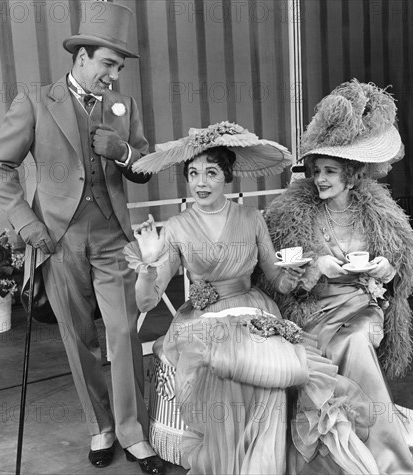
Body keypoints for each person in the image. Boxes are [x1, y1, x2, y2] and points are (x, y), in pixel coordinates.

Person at [260, 79, 413, 473]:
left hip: (361, 305)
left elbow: (404, 262)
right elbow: (269, 275)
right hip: (312, 309)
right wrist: (314, 269)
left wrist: (388, 268)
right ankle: (342, 444)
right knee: (328, 349)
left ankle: (380, 446)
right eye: (316, 171)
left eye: (330, 171)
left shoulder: (378, 211)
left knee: (354, 340)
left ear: (351, 175)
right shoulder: (291, 213)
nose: (320, 180)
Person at [127, 122, 384, 474]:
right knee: (226, 368)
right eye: (193, 173)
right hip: (204, 318)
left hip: (253, 307)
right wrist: (148, 264)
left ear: (227, 176)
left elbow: (276, 281)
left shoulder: (251, 219)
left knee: (277, 369)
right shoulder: (175, 228)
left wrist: (291, 275)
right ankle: (238, 459)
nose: (201, 183)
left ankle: (264, 461)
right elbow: (145, 302)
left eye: (211, 173)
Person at [0, 3, 164, 473]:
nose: (113, 75)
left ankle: (133, 432)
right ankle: (100, 427)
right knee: (78, 337)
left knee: (124, 333)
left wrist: (122, 150)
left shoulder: (124, 106)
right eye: (107, 63)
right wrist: (26, 223)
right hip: (57, 240)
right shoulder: (34, 102)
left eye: (119, 67)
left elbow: (143, 167)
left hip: (112, 236)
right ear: (81, 56)